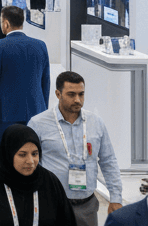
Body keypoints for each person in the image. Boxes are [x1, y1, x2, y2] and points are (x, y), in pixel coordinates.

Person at [28, 70, 124, 225]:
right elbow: (30, 163)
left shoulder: (96, 123)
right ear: (58, 94)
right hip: (52, 204)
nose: (77, 100)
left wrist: (116, 197)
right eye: (71, 94)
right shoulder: (38, 124)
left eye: (81, 94)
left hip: (87, 206)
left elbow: (108, 160)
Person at [0, 124, 77, 226]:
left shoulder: (50, 182)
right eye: (22, 155)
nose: (30, 161)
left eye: (35, 154)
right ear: (9, 154)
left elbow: (67, 221)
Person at [0, 5, 51, 158]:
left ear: (6, 23)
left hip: (4, 114)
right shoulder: (40, 46)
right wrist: (43, 109)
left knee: (3, 152)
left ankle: (7, 182)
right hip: (35, 111)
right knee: (31, 154)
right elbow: (45, 82)